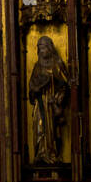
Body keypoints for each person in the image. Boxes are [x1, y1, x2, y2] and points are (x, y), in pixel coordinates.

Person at [27, 35, 70, 164]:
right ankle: (40, 153)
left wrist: (57, 99)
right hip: (40, 102)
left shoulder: (57, 64)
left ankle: (51, 153)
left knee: (51, 129)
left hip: (51, 102)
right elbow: (32, 84)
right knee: (38, 127)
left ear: (50, 48)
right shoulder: (37, 65)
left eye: (44, 47)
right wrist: (35, 90)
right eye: (39, 48)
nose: (41, 51)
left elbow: (66, 84)